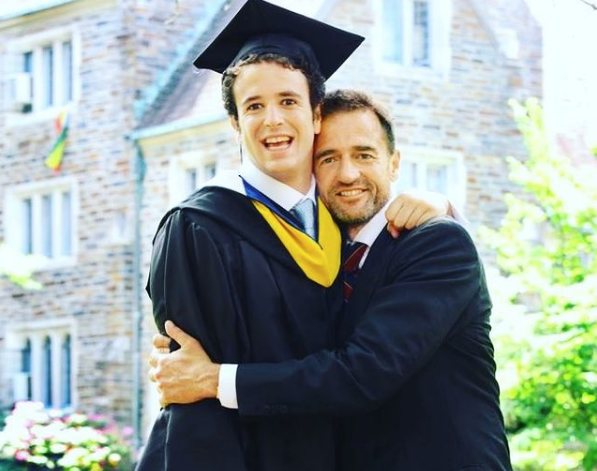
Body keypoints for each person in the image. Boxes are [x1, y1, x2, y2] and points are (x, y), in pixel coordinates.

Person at [137, 1, 450, 470]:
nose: (273, 120)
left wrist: (442, 205)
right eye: (254, 106)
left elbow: (362, 367)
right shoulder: (198, 228)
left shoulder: (340, 224)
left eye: (288, 101)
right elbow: (190, 398)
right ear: (235, 124)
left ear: (316, 113)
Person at [151, 90, 512, 470]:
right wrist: (183, 361)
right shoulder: (320, 256)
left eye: (364, 155)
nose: (347, 174)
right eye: (328, 158)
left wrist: (213, 380)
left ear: (394, 163)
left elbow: (362, 373)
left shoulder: (436, 242)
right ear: (311, 171)